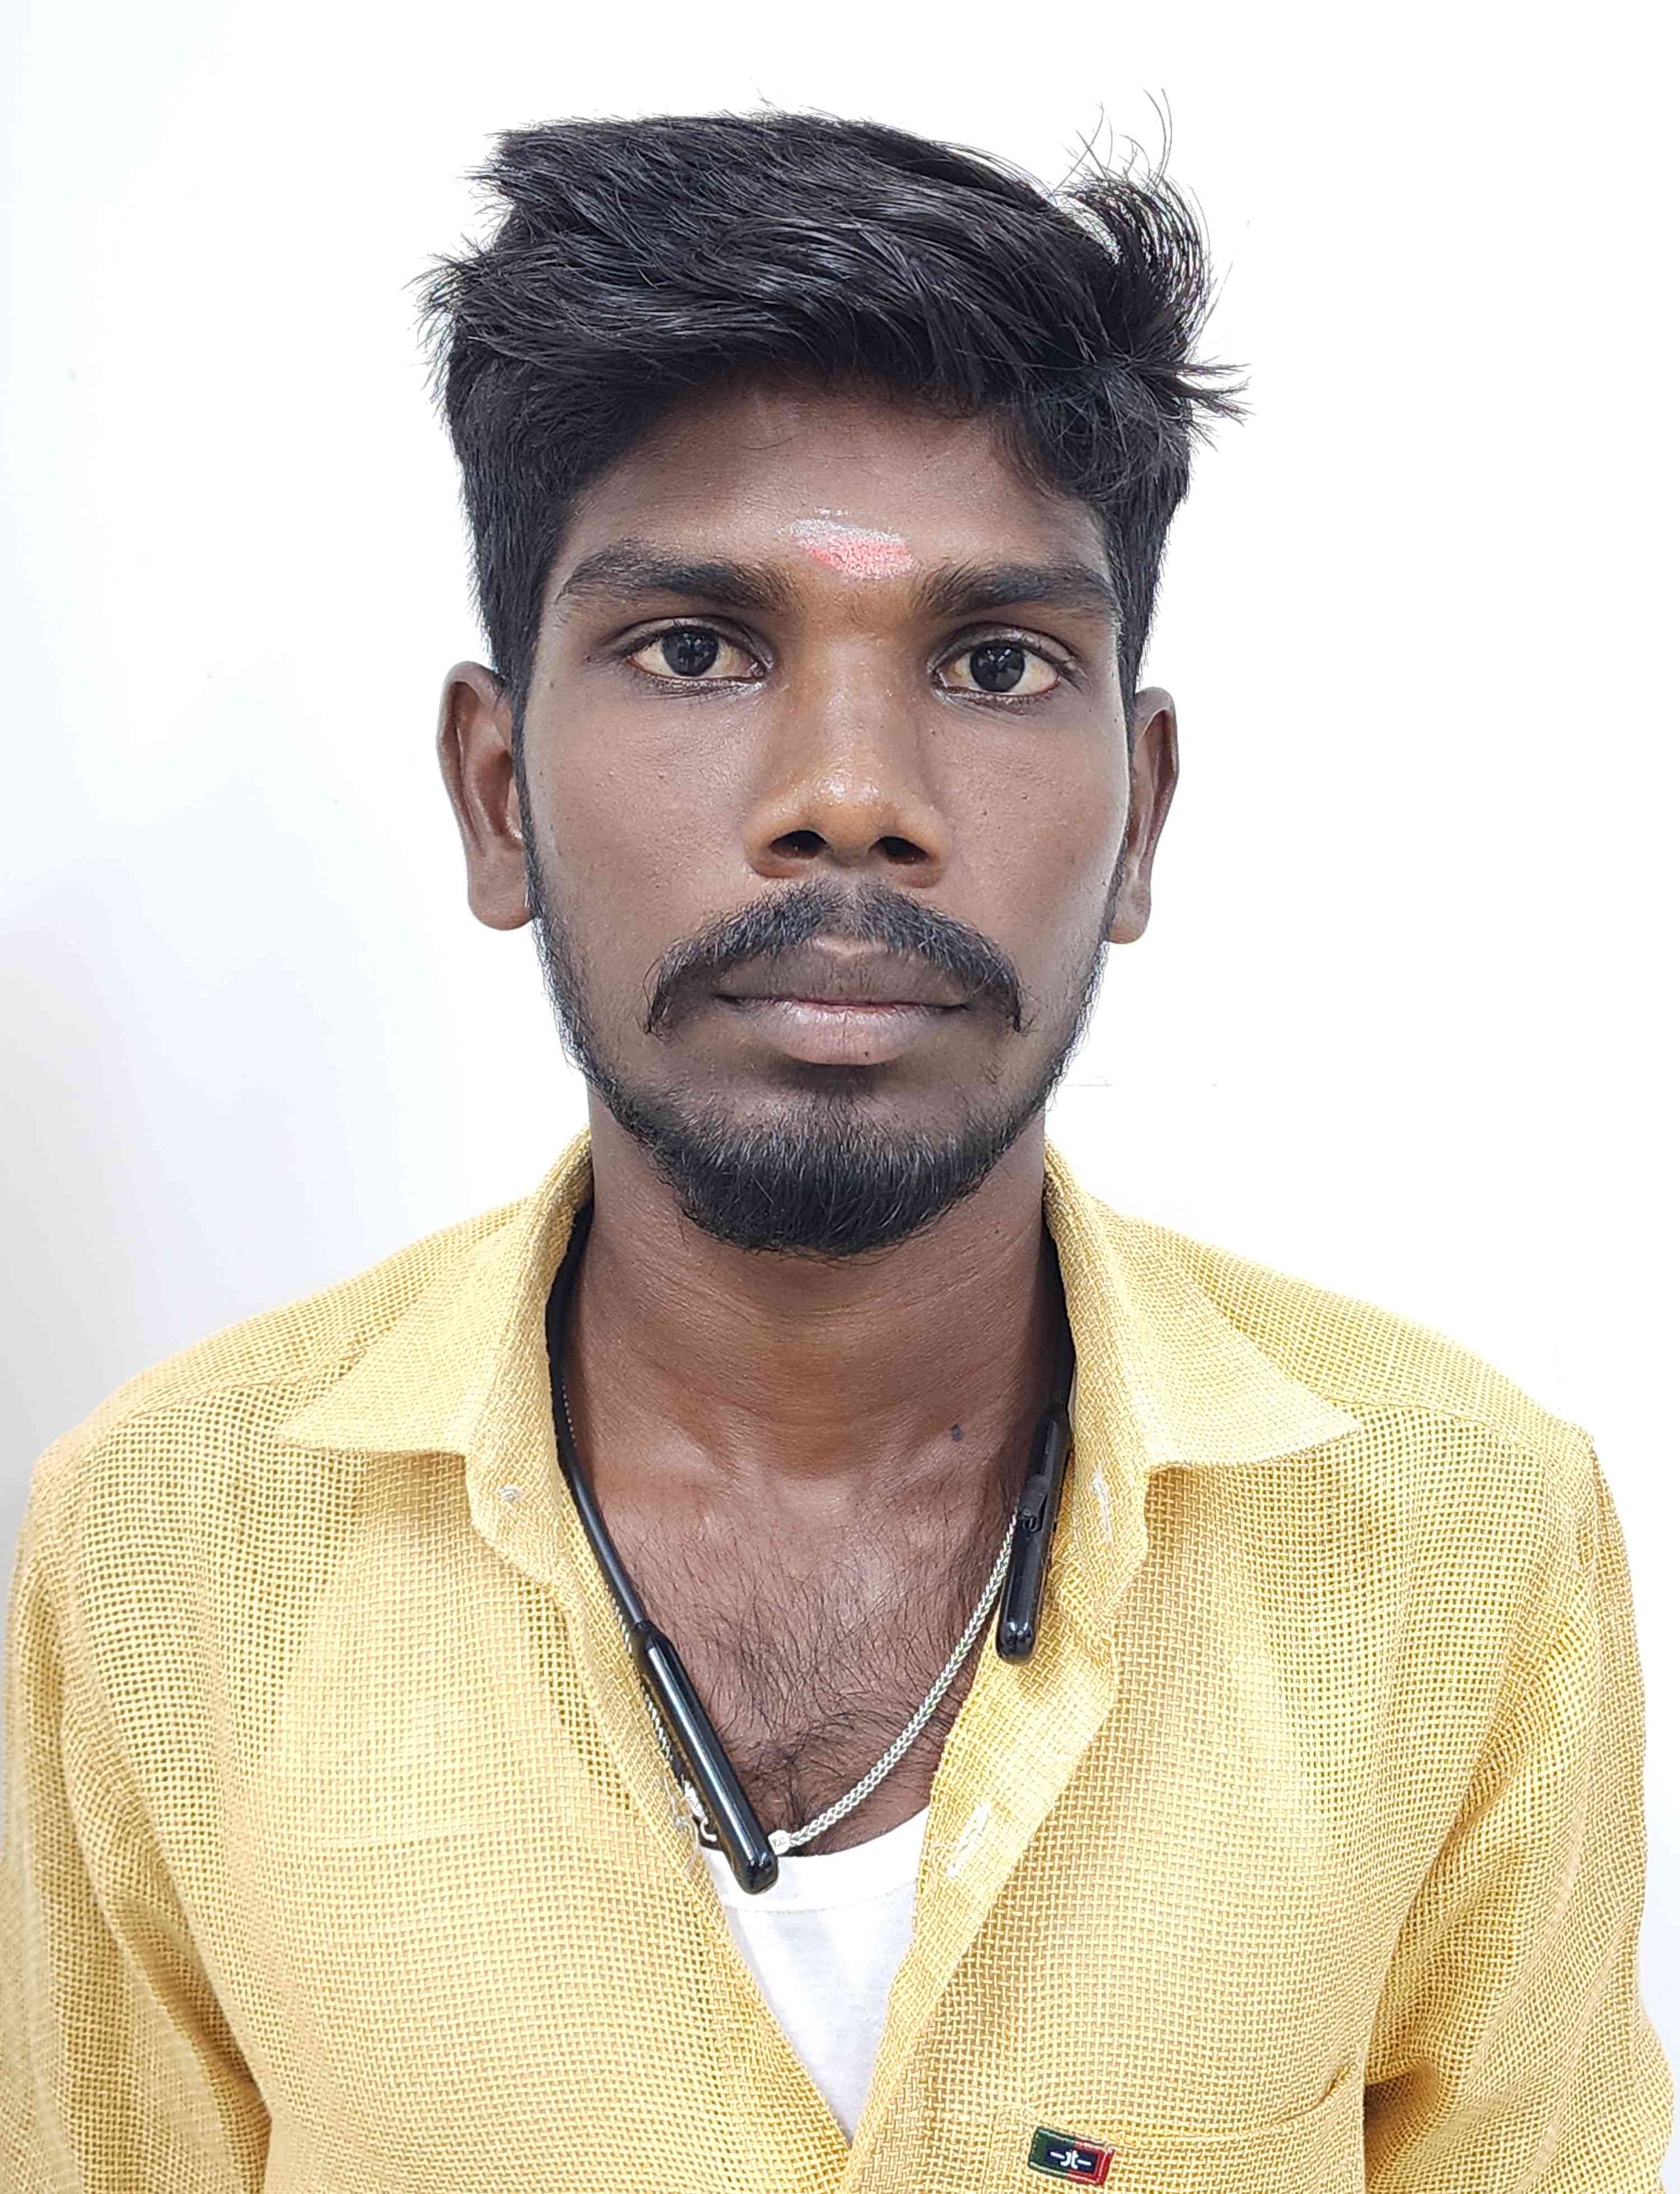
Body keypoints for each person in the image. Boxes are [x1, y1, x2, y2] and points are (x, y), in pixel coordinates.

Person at [1, 110, 1670, 2194]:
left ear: (1139, 819)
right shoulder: (163, 1543)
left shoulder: (1462, 1541)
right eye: (697, 648)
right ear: (499, 796)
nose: (852, 796)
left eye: (995, 662)